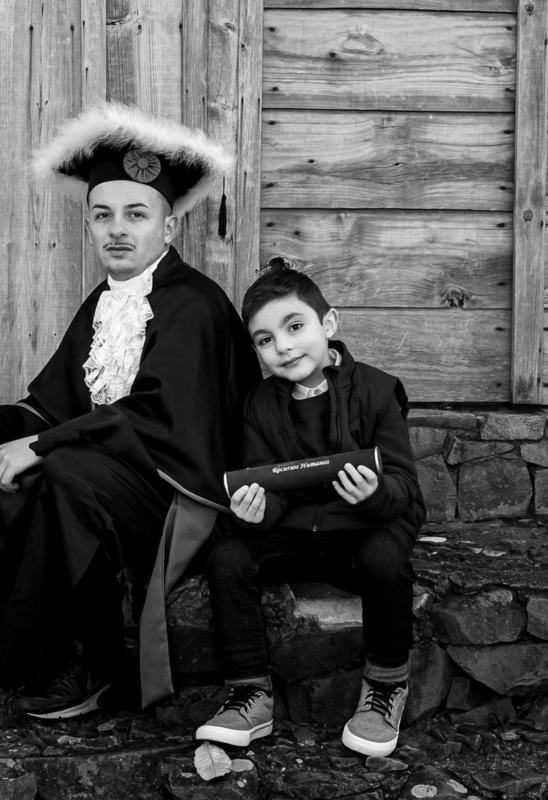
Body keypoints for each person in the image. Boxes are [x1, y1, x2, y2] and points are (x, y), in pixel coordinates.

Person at [0, 102, 262, 720]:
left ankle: (96, 663)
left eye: (136, 214)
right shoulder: (102, 303)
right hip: (114, 476)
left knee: (64, 473)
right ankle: (35, 645)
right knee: (4, 464)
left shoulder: (195, 304)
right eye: (102, 215)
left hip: (184, 491)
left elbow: (158, 418)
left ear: (168, 228)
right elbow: (52, 405)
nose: (118, 229)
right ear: (89, 225)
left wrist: (42, 446)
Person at [195, 266, 425, 757]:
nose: (283, 346)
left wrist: (374, 494)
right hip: (297, 531)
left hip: (364, 527)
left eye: (295, 326)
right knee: (228, 557)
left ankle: (385, 688)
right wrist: (256, 511)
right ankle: (249, 694)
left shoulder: (377, 390)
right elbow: (268, 484)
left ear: (329, 323)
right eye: (265, 340)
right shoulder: (259, 404)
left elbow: (405, 488)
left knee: (387, 559)